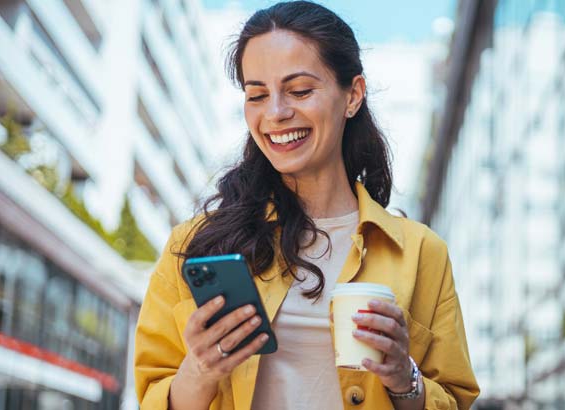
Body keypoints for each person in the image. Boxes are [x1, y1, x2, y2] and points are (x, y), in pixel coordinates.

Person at [132, 2, 479, 409]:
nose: (276, 113)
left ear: (353, 95)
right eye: (257, 95)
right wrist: (201, 369)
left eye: (299, 91)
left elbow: (455, 399)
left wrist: (406, 378)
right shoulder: (196, 244)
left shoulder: (422, 254)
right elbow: (154, 395)